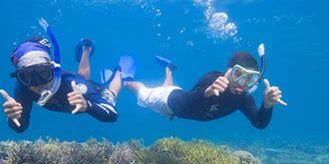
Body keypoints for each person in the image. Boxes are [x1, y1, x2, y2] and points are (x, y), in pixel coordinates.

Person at [0, 19, 134, 133]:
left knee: (109, 93)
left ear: (53, 68)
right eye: (27, 76)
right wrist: (13, 118)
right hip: (76, 85)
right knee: (82, 77)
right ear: (20, 78)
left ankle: (119, 72)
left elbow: (113, 114)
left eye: (43, 73)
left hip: (81, 87)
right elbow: (20, 127)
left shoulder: (72, 84)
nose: (38, 84)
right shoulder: (23, 87)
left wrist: (87, 105)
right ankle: (85, 49)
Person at [123, 45, 287, 129]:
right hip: (166, 101)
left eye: (250, 79)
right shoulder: (212, 79)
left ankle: (169, 69)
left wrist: (267, 106)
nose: (241, 83)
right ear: (228, 71)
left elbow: (259, 123)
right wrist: (206, 93)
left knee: (166, 87)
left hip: (176, 106)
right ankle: (127, 79)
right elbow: (186, 104)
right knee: (142, 92)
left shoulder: (243, 99)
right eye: (238, 75)